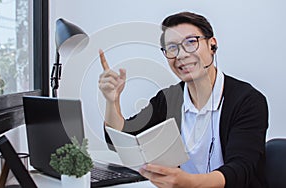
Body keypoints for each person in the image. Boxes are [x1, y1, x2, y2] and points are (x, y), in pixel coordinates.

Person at [98, 12, 268, 188]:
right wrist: (112, 101)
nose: (181, 55)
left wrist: (188, 182)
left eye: (190, 42)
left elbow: (241, 171)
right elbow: (121, 140)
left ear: (212, 45)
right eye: (172, 48)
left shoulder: (247, 100)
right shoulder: (169, 98)